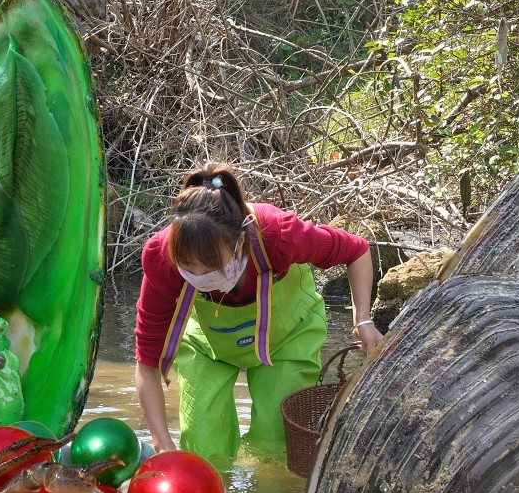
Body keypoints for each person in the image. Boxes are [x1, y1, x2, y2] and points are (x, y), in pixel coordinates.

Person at [134, 162, 384, 464]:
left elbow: (356, 250)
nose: (202, 277)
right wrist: (163, 447)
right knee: (202, 452)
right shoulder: (161, 255)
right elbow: (147, 362)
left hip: (287, 334)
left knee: (277, 448)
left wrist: (364, 320)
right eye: (190, 270)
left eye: (213, 267)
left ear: (240, 241)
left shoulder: (277, 233)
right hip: (208, 344)